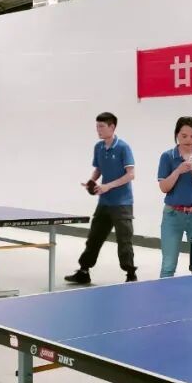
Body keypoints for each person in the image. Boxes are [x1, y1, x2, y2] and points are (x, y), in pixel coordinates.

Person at [64, 112, 137, 285]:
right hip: (104, 202)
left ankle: (130, 274)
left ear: (112, 127)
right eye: (97, 126)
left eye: (102, 126)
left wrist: (108, 186)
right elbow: (98, 169)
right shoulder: (99, 147)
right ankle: (83, 271)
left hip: (122, 204)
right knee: (94, 238)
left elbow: (131, 174)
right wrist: (92, 181)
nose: (98, 130)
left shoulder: (123, 147)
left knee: (124, 240)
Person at [157, 116, 192, 277]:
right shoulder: (167, 157)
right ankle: (164, 293)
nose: (188, 140)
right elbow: (163, 187)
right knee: (168, 265)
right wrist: (178, 171)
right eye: (184, 136)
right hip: (173, 216)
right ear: (177, 135)